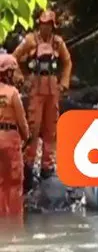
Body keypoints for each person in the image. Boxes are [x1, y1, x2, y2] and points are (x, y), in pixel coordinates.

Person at [13, 9, 72, 185]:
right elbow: (14, 57)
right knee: (33, 126)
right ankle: (28, 165)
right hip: (36, 86)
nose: (46, 28)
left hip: (52, 87)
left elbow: (67, 62)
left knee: (51, 127)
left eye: (49, 25)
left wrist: (64, 82)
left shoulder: (58, 43)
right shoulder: (30, 40)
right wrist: (20, 78)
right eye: (43, 24)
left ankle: (47, 166)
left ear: (53, 26)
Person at [0, 54, 30, 219]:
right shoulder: (13, 94)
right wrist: (27, 137)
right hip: (10, 139)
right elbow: (22, 121)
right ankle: (15, 222)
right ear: (9, 73)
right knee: (15, 182)